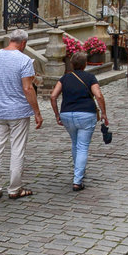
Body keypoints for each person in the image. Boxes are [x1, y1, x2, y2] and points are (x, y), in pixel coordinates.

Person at [0, 29, 42, 201]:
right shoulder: (24, 60)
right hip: (18, 111)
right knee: (17, 148)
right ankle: (14, 188)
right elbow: (27, 88)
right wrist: (37, 112)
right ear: (23, 43)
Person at [50, 51, 108, 191]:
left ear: (72, 64)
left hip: (67, 114)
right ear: (85, 64)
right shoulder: (90, 77)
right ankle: (77, 180)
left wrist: (57, 114)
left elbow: (53, 96)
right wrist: (104, 113)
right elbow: (98, 96)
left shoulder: (64, 78)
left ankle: (79, 171)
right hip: (86, 114)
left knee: (75, 143)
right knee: (82, 146)